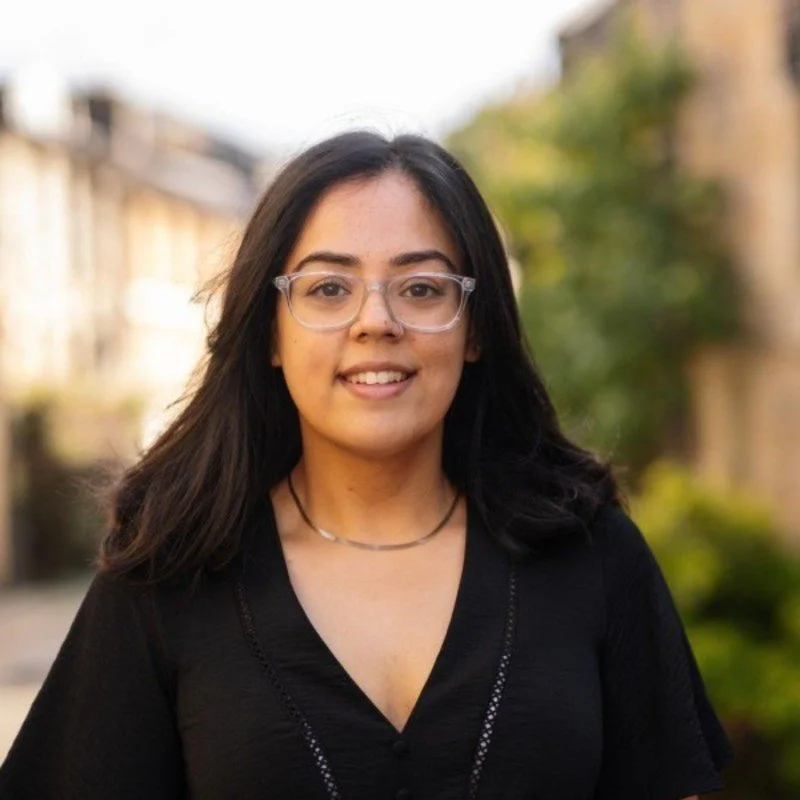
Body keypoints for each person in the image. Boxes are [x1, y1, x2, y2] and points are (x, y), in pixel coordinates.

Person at [0, 131, 733, 799]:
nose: (376, 320)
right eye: (327, 288)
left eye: (421, 287)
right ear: (271, 335)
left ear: (475, 329)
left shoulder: (593, 557)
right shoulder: (170, 572)